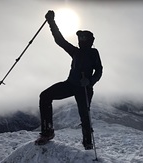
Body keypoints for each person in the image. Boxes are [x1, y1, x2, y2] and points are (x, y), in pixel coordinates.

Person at [35, 10, 103, 150]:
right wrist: (51, 22)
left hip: (84, 88)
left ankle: (87, 142)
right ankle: (47, 132)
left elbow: (99, 70)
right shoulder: (76, 52)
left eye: (84, 38)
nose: (82, 40)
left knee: (85, 115)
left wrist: (90, 81)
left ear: (89, 40)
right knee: (45, 96)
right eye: (80, 37)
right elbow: (59, 40)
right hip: (72, 84)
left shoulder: (93, 53)